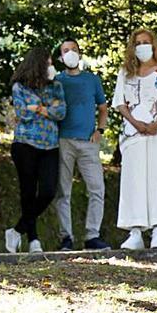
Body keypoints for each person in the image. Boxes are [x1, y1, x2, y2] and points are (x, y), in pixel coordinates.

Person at [112, 29, 157, 250]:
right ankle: (135, 232)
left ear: (154, 45)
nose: (141, 46)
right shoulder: (126, 73)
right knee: (134, 181)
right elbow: (120, 102)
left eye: (146, 42)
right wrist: (135, 122)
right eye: (137, 43)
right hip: (133, 134)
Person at [5, 47, 67, 253]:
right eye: (48, 63)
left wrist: (39, 107)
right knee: (28, 192)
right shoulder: (19, 86)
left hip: (50, 145)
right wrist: (46, 107)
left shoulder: (56, 86)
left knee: (48, 191)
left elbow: (61, 111)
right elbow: (23, 113)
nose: (51, 67)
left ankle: (16, 230)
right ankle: (33, 239)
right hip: (25, 144)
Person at [53, 39, 110, 251]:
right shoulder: (57, 80)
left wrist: (100, 130)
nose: (70, 53)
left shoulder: (92, 80)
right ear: (60, 57)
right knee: (63, 191)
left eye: (73, 50)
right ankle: (66, 237)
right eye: (65, 50)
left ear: (80, 53)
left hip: (88, 142)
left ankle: (92, 236)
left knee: (97, 189)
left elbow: (103, 107)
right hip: (63, 141)